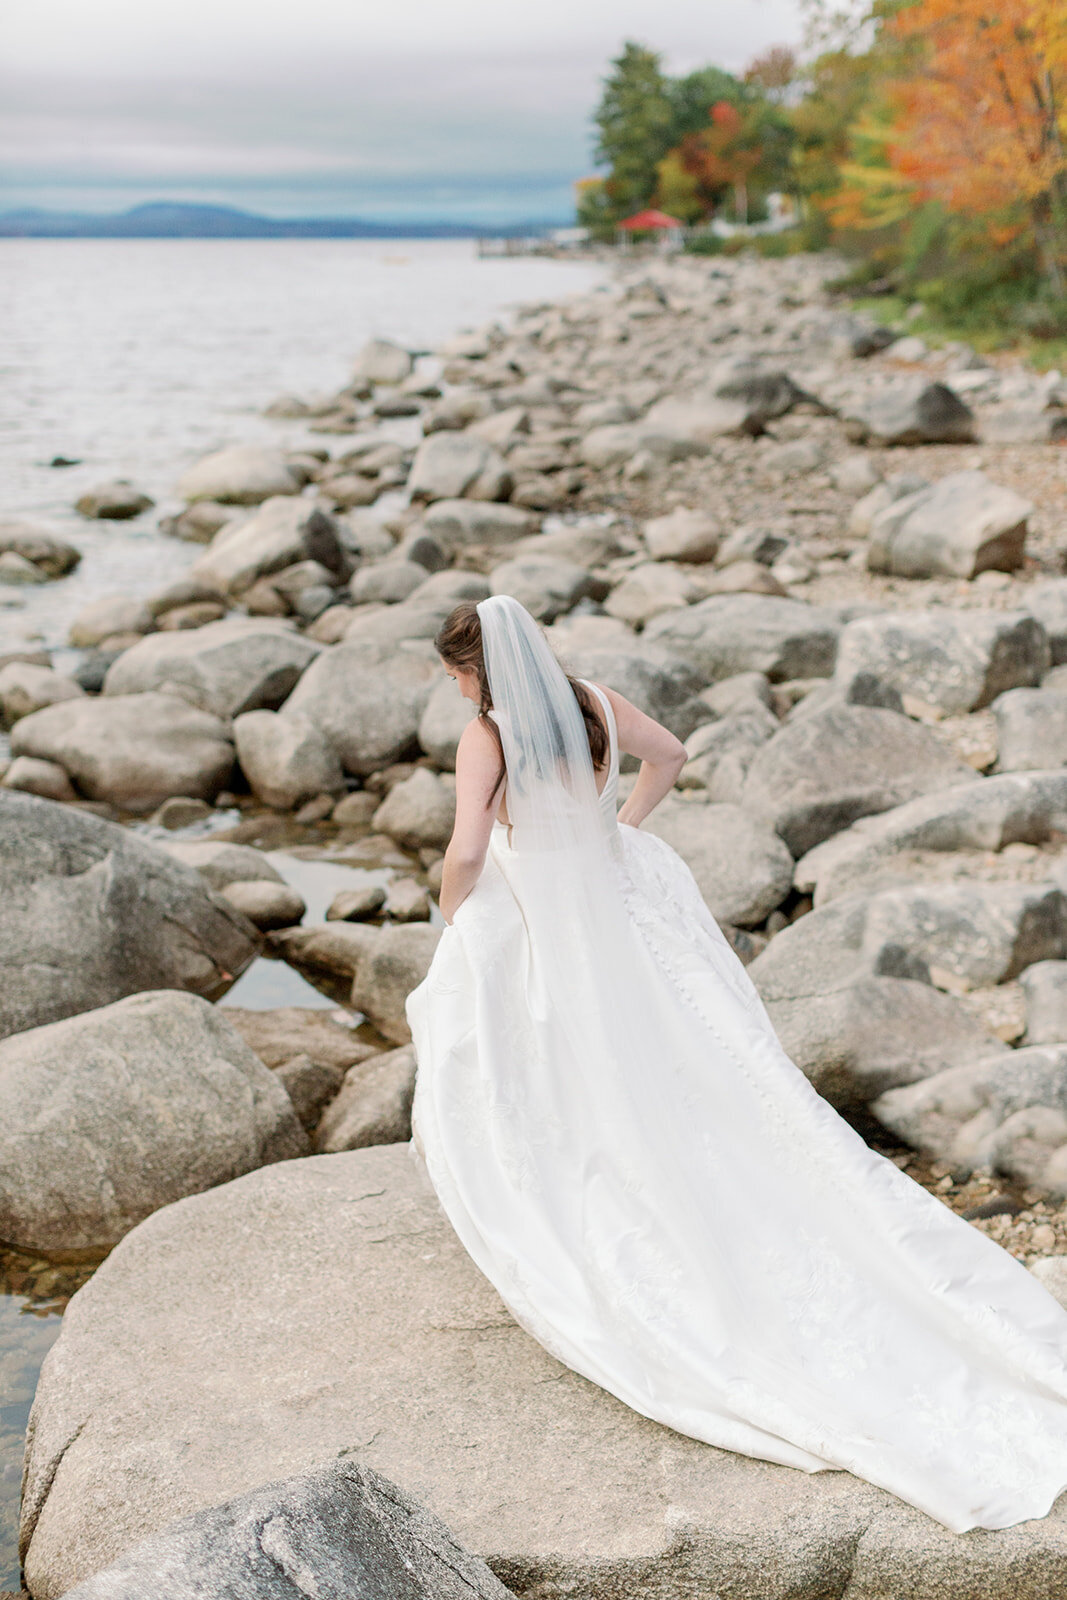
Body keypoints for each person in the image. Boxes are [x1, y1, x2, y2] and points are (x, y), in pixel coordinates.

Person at [405, 593, 1067, 1534]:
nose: (457, 688)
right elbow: (670, 752)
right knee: (698, 1062)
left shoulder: (488, 736)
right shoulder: (592, 701)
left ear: (476, 670)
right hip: (620, 904)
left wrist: (450, 907)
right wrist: (616, 829)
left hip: (553, 922)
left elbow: (469, 847)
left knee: (544, 1047)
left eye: (457, 673)